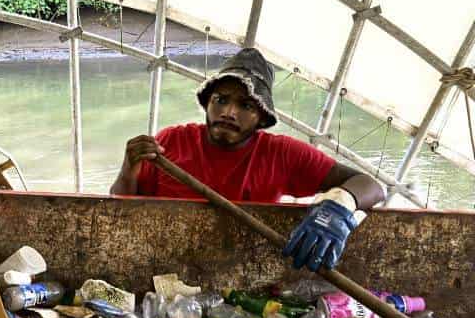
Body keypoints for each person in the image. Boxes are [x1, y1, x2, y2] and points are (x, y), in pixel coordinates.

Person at [110, 47, 385, 272]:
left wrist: (337, 207)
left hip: (244, 268)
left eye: (245, 106)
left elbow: (371, 186)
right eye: (220, 100)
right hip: (169, 267)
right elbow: (120, 213)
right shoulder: (170, 142)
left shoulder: (282, 154)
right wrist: (128, 168)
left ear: (262, 117)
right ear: (207, 103)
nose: (229, 112)